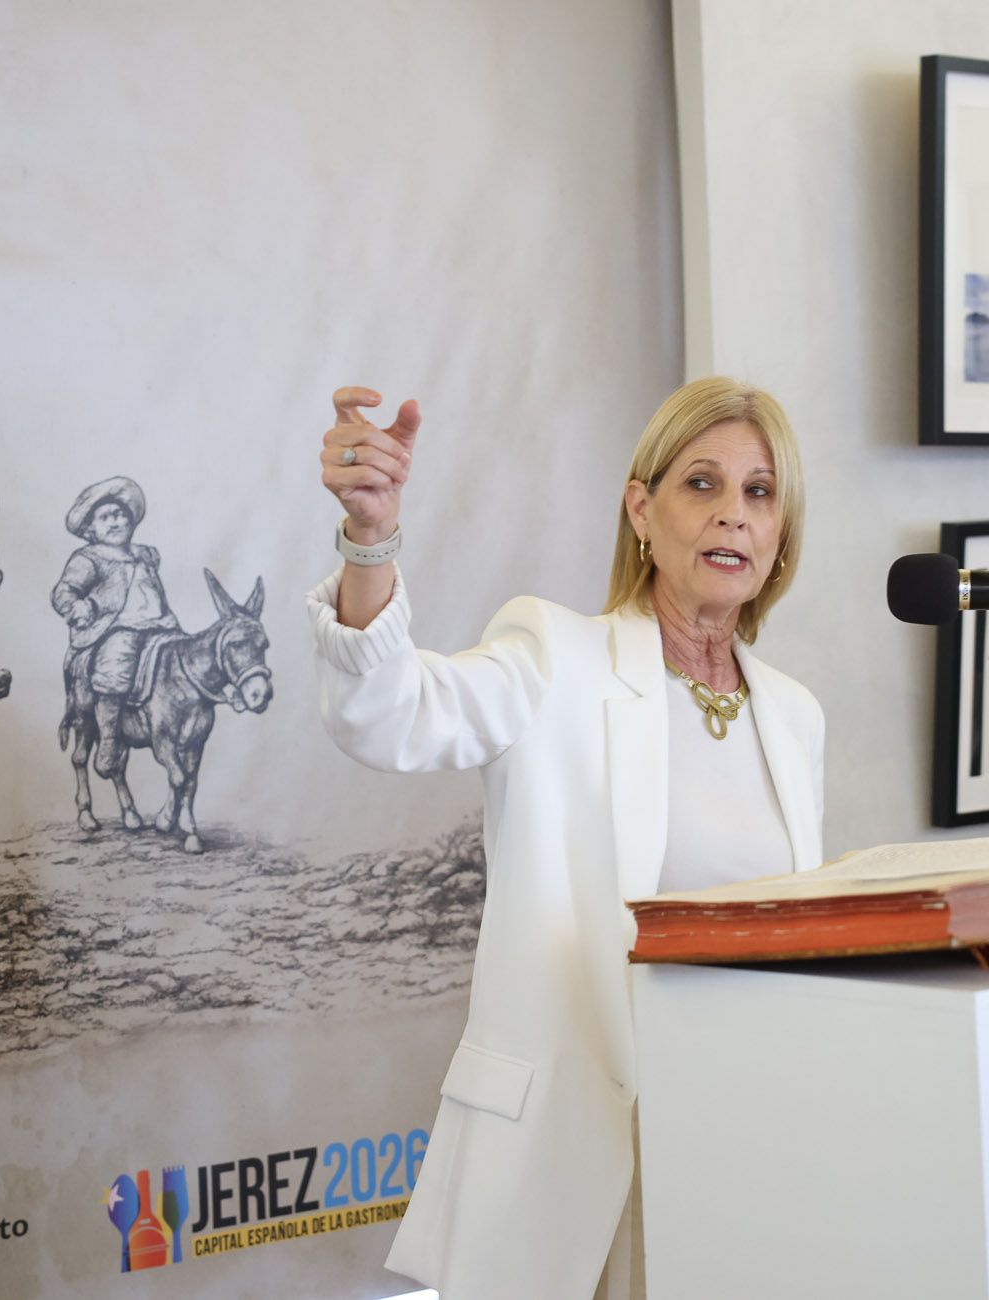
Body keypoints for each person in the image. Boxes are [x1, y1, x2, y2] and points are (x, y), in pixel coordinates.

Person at [307, 377, 823, 1299]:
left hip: (739, 1150)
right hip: (570, 1164)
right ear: (641, 510)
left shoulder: (794, 716)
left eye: (759, 491)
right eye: (701, 484)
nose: (733, 516)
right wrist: (371, 540)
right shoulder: (554, 656)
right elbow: (389, 716)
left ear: (782, 530)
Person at [51, 476, 183, 778]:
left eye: (121, 514)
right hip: (117, 628)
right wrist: (77, 607)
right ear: (90, 529)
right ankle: (109, 738)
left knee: (186, 657)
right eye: (105, 517)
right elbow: (64, 591)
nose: (115, 521)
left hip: (160, 624)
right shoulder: (89, 558)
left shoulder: (145, 554)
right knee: (116, 665)